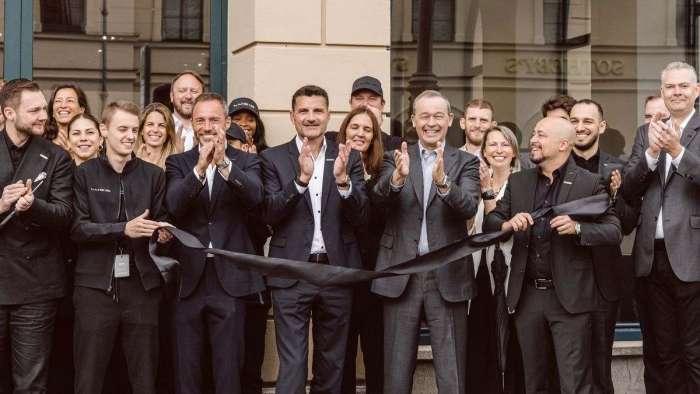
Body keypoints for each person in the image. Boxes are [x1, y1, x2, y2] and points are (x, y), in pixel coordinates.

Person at [483, 116, 621, 394]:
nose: (532, 140)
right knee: (534, 384)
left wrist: (579, 227)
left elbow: (614, 230)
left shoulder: (591, 182)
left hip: (570, 298)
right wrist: (507, 224)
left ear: (562, 144)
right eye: (533, 134)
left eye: (540, 135)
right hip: (527, 297)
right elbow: (492, 220)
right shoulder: (518, 181)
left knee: (574, 384)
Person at [260, 85, 368, 394]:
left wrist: (345, 181)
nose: (311, 117)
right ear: (292, 116)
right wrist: (300, 181)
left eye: (317, 110)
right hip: (291, 271)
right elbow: (269, 214)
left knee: (332, 362)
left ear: (328, 115)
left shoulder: (349, 156)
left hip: (336, 271)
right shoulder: (273, 158)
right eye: (304, 111)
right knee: (293, 364)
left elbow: (362, 216)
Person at [372, 90, 480, 393]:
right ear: (413, 120)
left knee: (452, 373)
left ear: (450, 120)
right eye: (424, 116)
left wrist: (444, 183)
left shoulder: (466, 162)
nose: (431, 122)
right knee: (395, 372)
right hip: (401, 272)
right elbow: (377, 201)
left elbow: (470, 205)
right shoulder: (397, 156)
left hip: (447, 274)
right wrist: (397, 179)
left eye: (437, 116)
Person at [166, 92, 265, 394]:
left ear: (226, 122)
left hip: (231, 280)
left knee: (228, 370)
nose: (207, 126)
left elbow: (256, 196)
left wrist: (223, 165)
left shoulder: (247, 161)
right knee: (187, 371)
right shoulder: (178, 162)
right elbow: (173, 205)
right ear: (192, 125)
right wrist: (199, 168)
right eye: (200, 120)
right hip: (189, 280)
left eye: (213, 119)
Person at [623, 61, 700, 393]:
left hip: (693, 258)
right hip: (651, 260)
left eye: (683, 86)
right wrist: (652, 154)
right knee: (660, 352)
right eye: (670, 87)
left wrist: (677, 151)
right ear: (662, 92)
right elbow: (627, 189)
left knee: (694, 353)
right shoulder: (646, 131)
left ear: (697, 90)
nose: (677, 92)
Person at [0, 79, 74, 393]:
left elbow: (65, 215)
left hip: (36, 288)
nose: (44, 114)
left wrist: (33, 207)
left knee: (31, 384)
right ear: (9, 113)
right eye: (34, 110)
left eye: (43, 107)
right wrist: (1, 204)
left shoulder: (57, 156)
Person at [569, 99, 639, 394]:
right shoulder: (555, 166)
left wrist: (614, 196)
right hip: (564, 280)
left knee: (600, 367)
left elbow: (626, 225)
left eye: (588, 121)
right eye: (575, 121)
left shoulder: (619, 168)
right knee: (566, 367)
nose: (581, 127)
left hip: (604, 283)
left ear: (601, 126)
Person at [466, 125, 524, 394]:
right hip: (480, 272)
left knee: (510, 345)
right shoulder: (473, 182)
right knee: (481, 344)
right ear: (483, 151)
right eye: (492, 145)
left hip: (511, 273)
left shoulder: (523, 182)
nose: (498, 150)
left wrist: (488, 191)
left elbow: (495, 228)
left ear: (513, 151)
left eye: (504, 145)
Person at [337, 106, 385, 394]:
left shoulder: (385, 170)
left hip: (377, 274)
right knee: (342, 352)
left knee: (376, 352)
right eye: (355, 127)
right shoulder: (333, 165)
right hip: (343, 270)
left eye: (367, 129)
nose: (360, 133)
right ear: (345, 131)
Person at [227, 97, 272, 394]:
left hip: (253, 272)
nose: (244, 124)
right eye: (237, 119)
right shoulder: (207, 165)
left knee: (251, 351)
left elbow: (264, 224)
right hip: (218, 275)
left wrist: (246, 173)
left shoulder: (264, 162)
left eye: (249, 118)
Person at [327, 76, 403, 151]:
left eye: (372, 99)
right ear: (351, 104)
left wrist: (375, 129)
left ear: (382, 105)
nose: (365, 104)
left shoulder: (396, 144)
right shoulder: (330, 139)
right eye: (359, 98)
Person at [520, 95, 578, 171]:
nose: (554, 126)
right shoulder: (530, 162)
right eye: (550, 121)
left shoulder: (584, 158)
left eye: (561, 121)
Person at [136, 102, 183, 169]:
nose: (155, 130)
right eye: (150, 124)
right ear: (141, 131)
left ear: (168, 132)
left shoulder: (175, 164)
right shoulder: (130, 161)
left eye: (161, 125)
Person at [45, 84, 90, 151]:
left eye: (69, 101)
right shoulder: (41, 140)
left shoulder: (91, 140)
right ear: (52, 112)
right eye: (58, 101)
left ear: (81, 110)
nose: (63, 105)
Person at [170, 71, 205, 151]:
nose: (188, 96)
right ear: (172, 96)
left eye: (194, 91)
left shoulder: (210, 128)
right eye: (182, 91)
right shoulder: (160, 127)